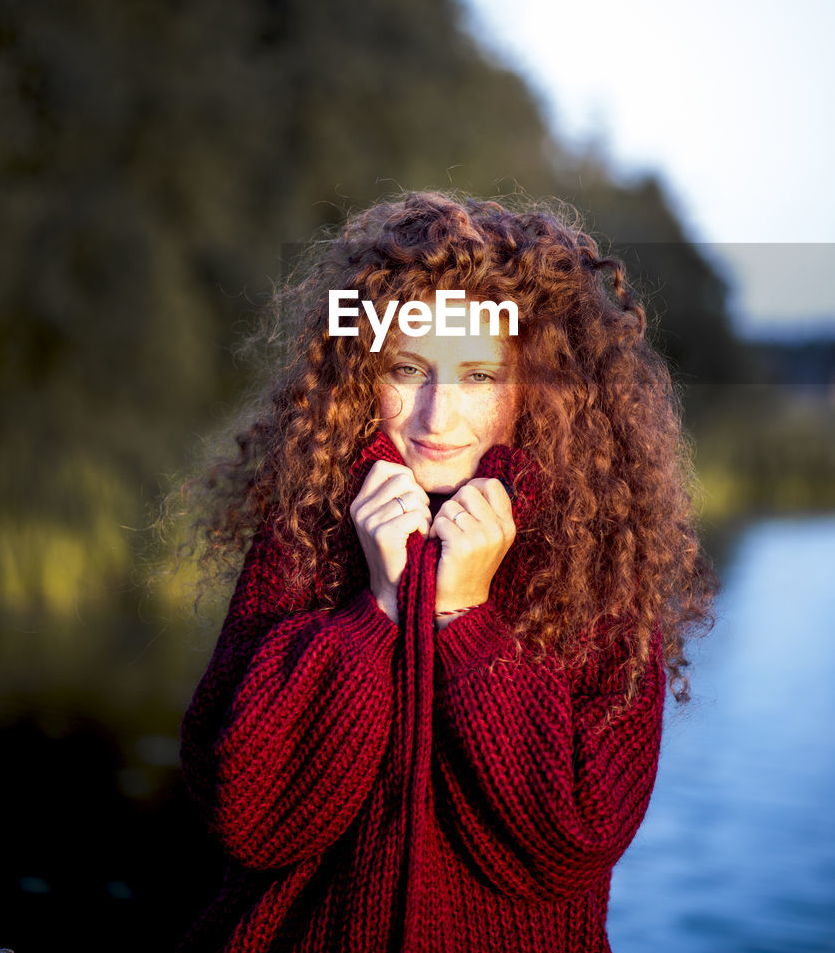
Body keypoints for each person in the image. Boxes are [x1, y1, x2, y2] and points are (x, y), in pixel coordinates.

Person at [177, 190, 716, 953]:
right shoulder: (303, 528)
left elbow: (571, 843)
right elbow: (248, 817)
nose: (437, 418)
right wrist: (377, 616)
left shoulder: (600, 569)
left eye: (478, 377)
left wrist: (465, 618)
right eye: (408, 368)